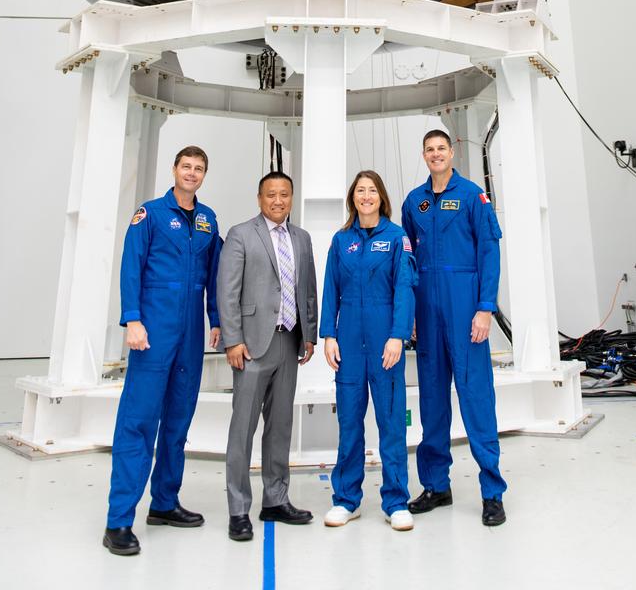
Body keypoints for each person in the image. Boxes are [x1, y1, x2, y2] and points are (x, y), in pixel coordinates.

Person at [104, 146, 222, 556]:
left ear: (204, 175)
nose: (192, 173)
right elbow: (130, 266)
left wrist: (218, 319)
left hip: (190, 332)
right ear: (175, 170)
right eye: (186, 167)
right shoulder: (149, 214)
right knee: (138, 421)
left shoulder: (208, 220)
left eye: (199, 169)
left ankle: (165, 502)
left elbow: (214, 274)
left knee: (177, 421)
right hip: (153, 328)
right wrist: (132, 318)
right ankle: (119, 519)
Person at [401, 129, 507, 527]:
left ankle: (492, 491)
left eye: (441, 148)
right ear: (424, 155)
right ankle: (436, 485)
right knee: (431, 400)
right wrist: (409, 313)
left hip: (465, 307)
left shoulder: (473, 197)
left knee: (476, 397)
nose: (435, 154)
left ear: (452, 151)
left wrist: (484, 309)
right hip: (427, 308)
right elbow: (407, 263)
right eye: (429, 149)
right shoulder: (415, 202)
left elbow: (489, 253)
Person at [218, 171, 318, 541]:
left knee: (280, 428)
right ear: (259, 198)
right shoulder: (241, 235)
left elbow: (308, 289)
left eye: (284, 195)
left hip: (289, 343)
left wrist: (309, 334)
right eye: (271, 195)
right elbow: (227, 291)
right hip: (251, 345)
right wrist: (232, 340)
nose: (278, 201)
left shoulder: (302, 238)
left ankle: (275, 499)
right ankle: (238, 508)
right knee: (242, 428)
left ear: (292, 197)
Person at [320, 170, 417, 532]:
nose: (366, 196)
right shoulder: (341, 240)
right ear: (352, 197)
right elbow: (330, 288)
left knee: (391, 422)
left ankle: (396, 501)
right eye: (360, 190)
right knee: (349, 422)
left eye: (371, 190)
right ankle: (346, 500)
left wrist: (397, 336)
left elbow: (405, 288)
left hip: (384, 342)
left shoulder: (396, 238)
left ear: (381, 197)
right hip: (348, 342)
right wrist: (328, 334)